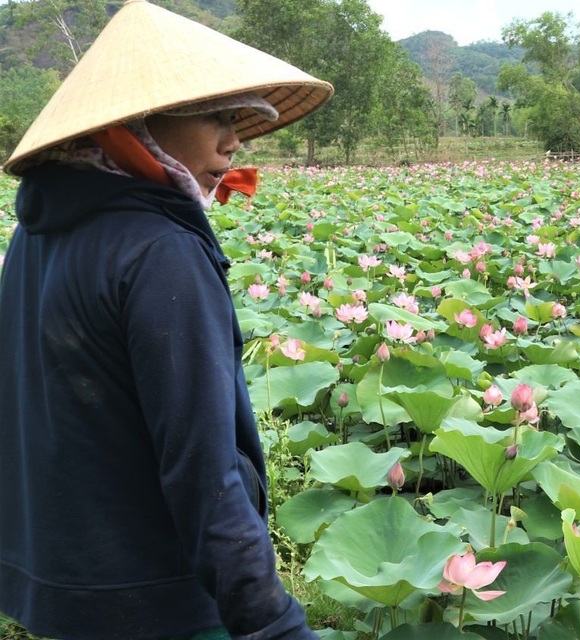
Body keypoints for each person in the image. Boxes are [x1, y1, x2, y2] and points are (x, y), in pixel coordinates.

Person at [0, 1, 333, 638]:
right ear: (141, 122)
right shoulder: (161, 250)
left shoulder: (38, 229)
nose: (234, 142)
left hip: (66, 587)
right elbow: (203, 471)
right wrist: (273, 624)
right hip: (161, 601)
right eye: (216, 117)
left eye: (238, 121)